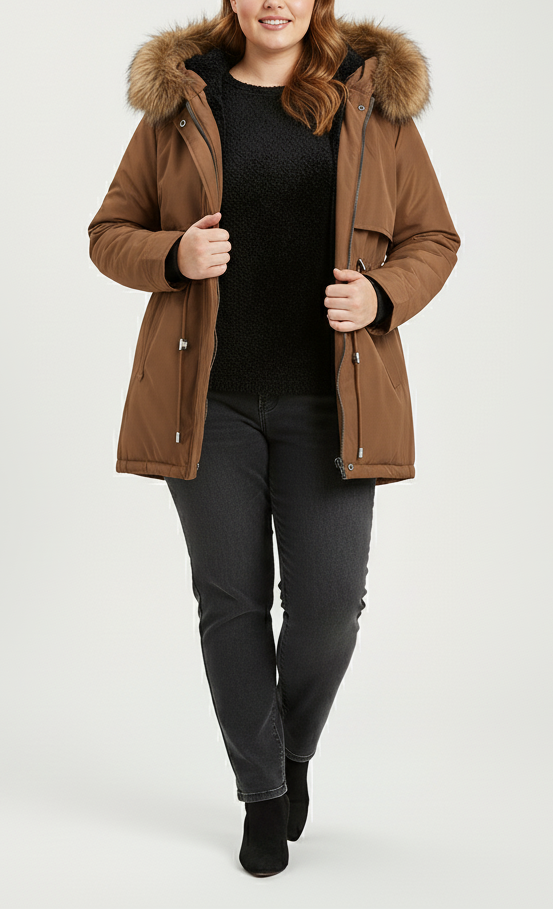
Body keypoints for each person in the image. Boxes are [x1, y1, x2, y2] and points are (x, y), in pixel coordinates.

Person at [88, 0, 460, 877]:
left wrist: (381, 295)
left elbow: (433, 237)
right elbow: (109, 233)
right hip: (206, 400)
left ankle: (291, 750)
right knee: (232, 602)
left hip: (331, 400)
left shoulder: (370, 101)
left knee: (330, 605)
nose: (273, 2)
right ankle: (260, 791)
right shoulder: (183, 102)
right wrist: (173, 256)